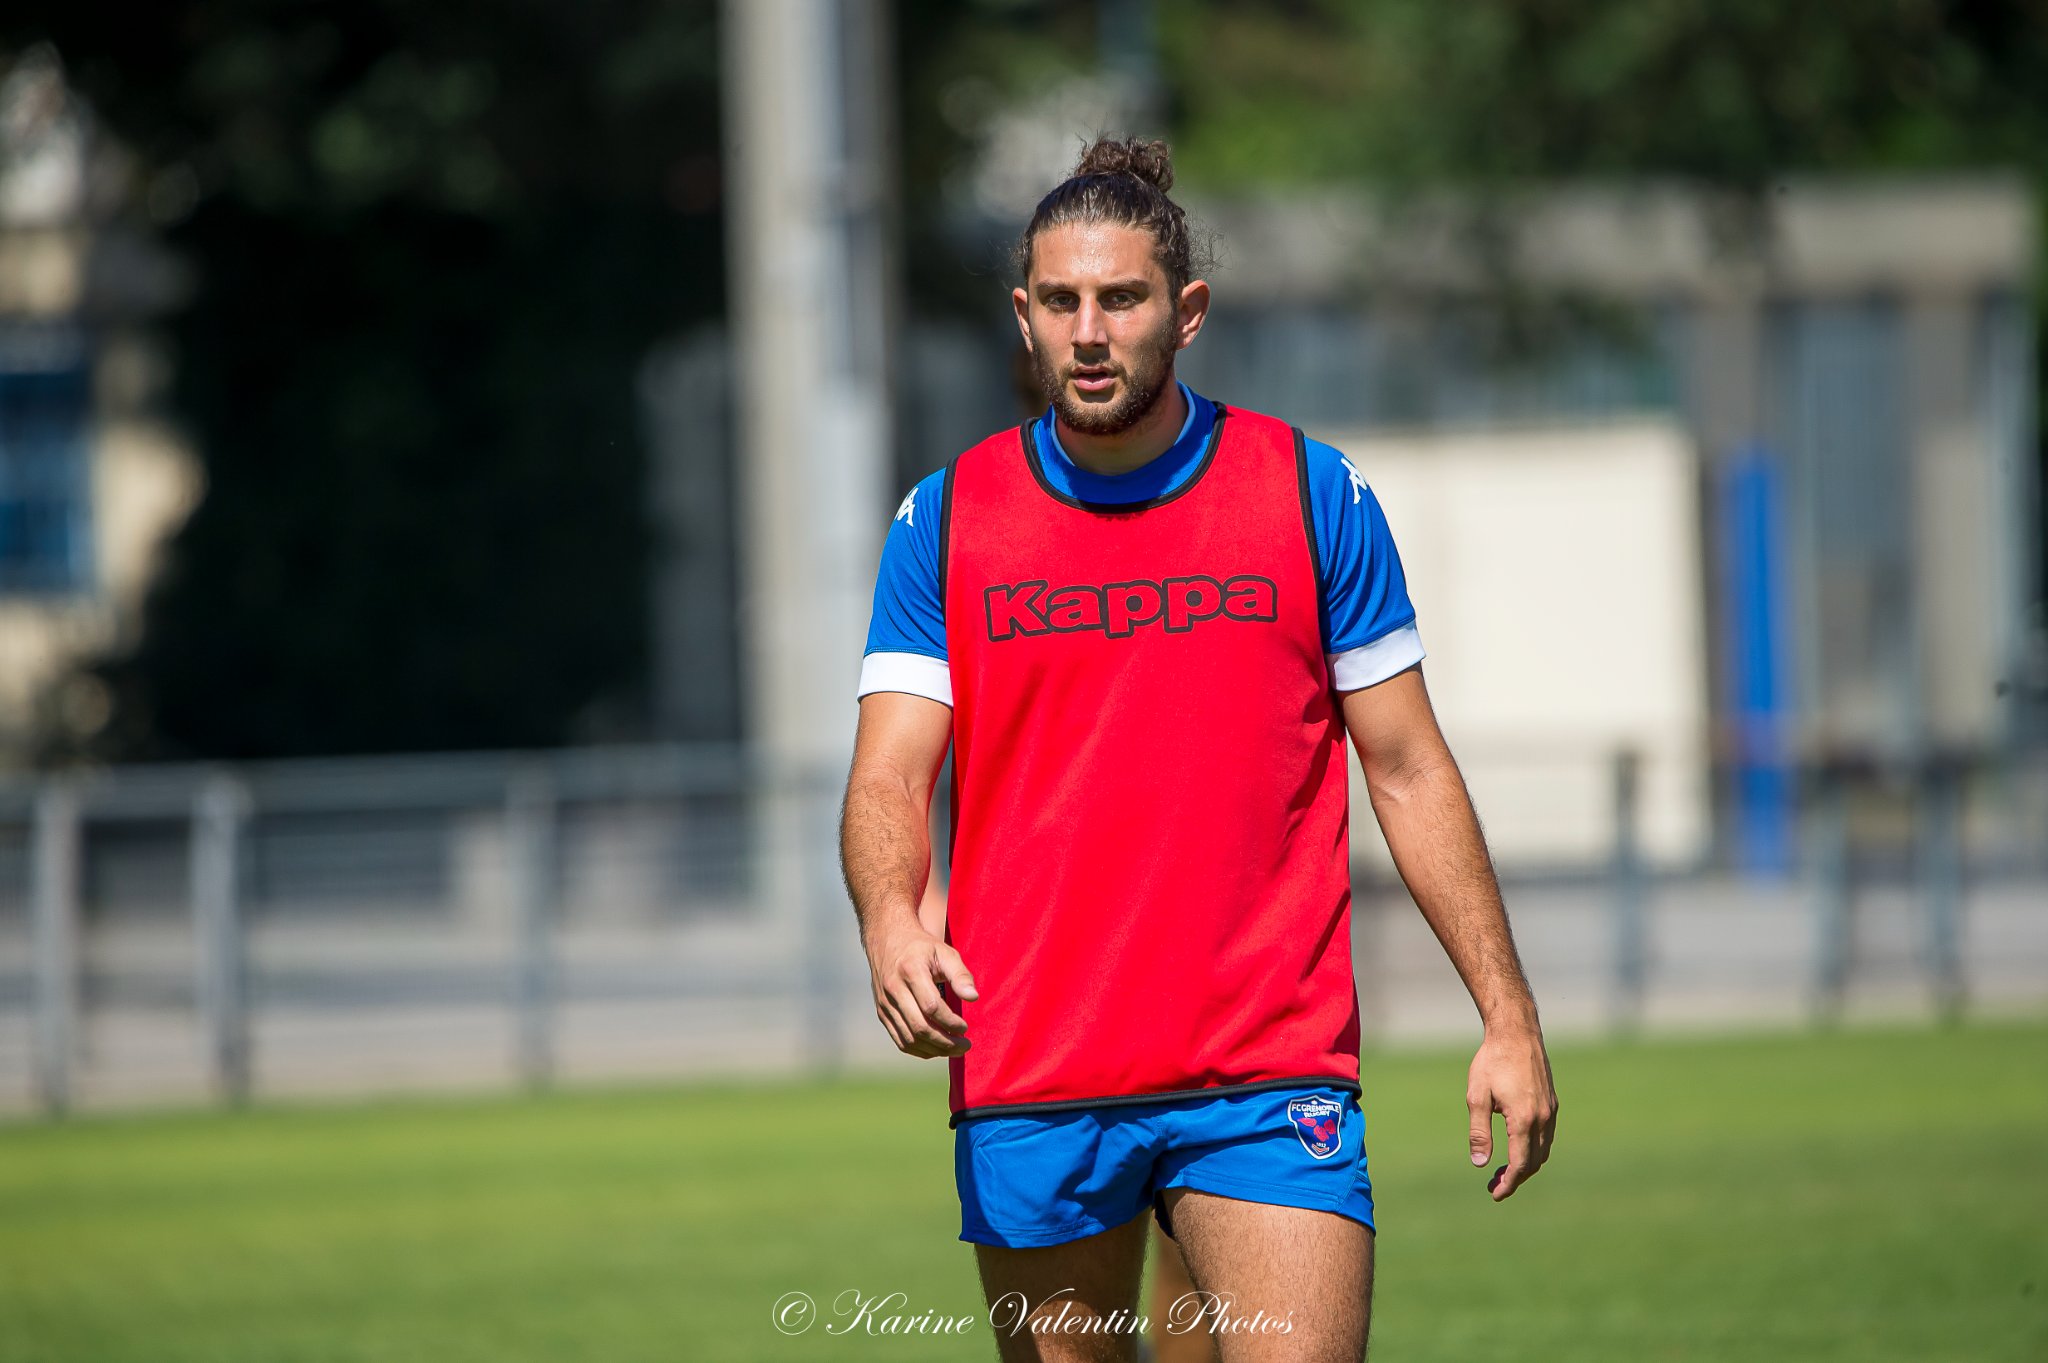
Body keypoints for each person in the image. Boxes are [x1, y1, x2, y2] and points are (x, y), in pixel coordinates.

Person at [840, 136, 1558, 1363]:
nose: (1087, 331)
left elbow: (1406, 765)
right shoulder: (945, 520)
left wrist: (1505, 1011)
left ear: (1186, 311)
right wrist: (892, 920)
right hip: (1031, 1067)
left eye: (1118, 298)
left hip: (1267, 1073)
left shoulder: (1309, 493)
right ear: (1022, 317)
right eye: (1059, 302)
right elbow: (887, 775)